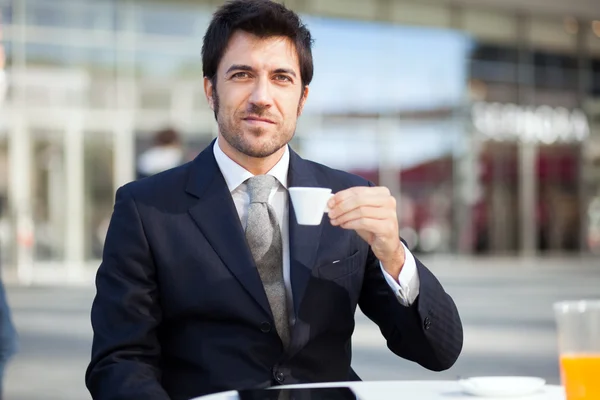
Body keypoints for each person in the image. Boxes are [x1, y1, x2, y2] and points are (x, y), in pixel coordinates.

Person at [85, 1, 463, 399]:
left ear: (302, 98)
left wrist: (394, 256)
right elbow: (120, 361)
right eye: (242, 74)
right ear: (211, 89)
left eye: (281, 77)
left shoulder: (351, 198)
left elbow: (439, 352)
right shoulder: (146, 209)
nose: (262, 96)